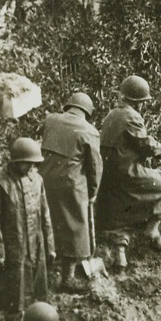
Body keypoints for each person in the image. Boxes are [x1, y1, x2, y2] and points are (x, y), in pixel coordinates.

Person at [96, 75, 161, 271]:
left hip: (108, 175)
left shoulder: (111, 115)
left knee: (121, 213)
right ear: (134, 101)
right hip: (127, 173)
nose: (143, 106)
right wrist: (159, 149)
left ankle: (120, 254)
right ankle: (152, 232)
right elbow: (144, 143)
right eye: (142, 102)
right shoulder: (131, 116)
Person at [0, 137, 55, 318]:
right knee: (14, 278)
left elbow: (45, 213)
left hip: (35, 240)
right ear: (15, 162)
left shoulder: (37, 180)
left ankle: (38, 311)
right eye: (27, 163)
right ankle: (14, 313)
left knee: (37, 279)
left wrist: (50, 246)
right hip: (12, 242)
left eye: (33, 163)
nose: (31, 167)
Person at [39, 92, 103, 293]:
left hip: (44, 178)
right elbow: (94, 167)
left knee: (48, 219)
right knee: (75, 225)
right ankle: (67, 278)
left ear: (68, 106)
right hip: (70, 183)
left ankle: (49, 262)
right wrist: (92, 192)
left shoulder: (50, 119)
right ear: (87, 112)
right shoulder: (90, 131)